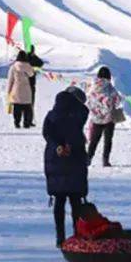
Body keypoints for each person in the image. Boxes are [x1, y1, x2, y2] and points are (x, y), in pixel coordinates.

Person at [43, 89, 89, 247]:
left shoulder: (51, 115)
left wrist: (58, 146)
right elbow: (75, 135)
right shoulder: (78, 114)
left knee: (59, 200)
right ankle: (77, 234)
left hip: (55, 159)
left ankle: (60, 237)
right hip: (74, 159)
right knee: (76, 201)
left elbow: (47, 134)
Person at [87, 66, 123, 167]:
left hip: (96, 118)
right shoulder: (110, 87)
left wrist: (95, 111)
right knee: (108, 140)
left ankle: (88, 158)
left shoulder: (92, 86)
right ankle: (105, 160)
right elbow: (117, 101)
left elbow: (88, 101)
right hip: (109, 118)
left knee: (94, 140)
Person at [6, 51, 35, 129]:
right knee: (27, 108)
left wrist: (8, 92)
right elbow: (31, 74)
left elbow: (10, 80)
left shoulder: (13, 67)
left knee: (17, 108)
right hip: (26, 90)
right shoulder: (28, 66)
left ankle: (17, 123)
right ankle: (26, 123)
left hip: (16, 90)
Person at [27, 45, 44, 115]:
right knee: (31, 101)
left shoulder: (24, 58)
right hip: (31, 82)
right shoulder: (34, 58)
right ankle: (29, 116)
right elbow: (41, 63)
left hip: (23, 83)